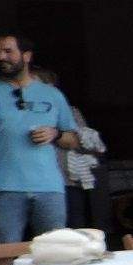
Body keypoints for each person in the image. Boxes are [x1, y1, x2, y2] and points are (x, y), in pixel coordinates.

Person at [0, 34, 79, 265]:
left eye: (8, 51)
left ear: (26, 56)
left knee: (55, 251)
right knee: (2, 253)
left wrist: (55, 134)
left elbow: (73, 139)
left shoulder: (52, 94)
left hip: (49, 186)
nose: (1, 57)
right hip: (3, 186)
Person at [34, 68, 107, 234]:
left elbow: (83, 141)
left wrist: (56, 133)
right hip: (35, 182)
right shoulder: (22, 111)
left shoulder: (69, 111)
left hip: (67, 180)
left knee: (75, 231)